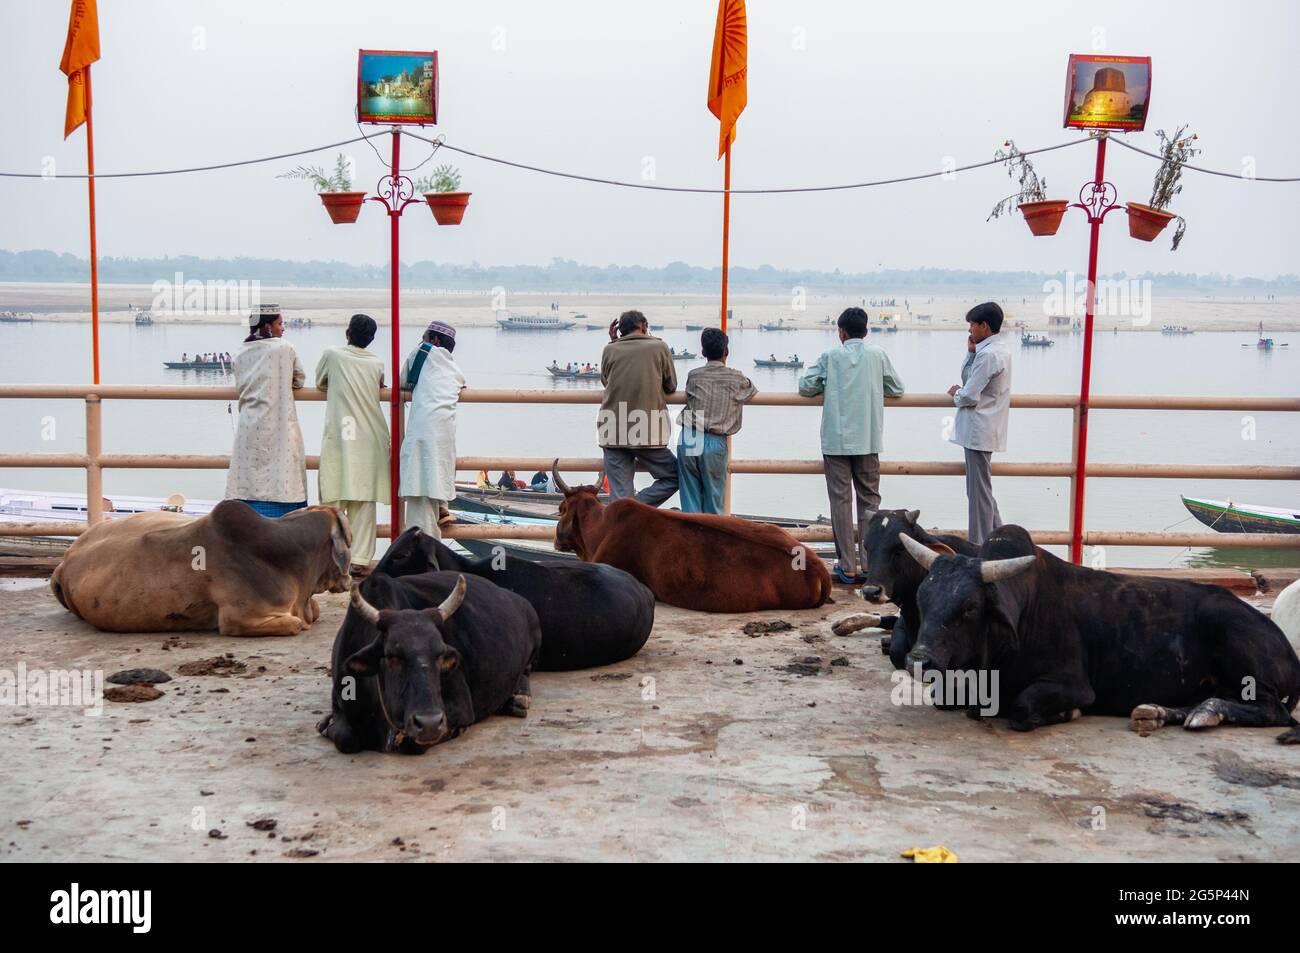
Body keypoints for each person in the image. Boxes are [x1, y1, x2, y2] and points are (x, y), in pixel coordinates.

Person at [799, 307, 904, 584]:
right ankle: (870, 564)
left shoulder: (830, 357)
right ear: (866, 331)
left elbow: (805, 386)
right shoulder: (878, 355)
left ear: (841, 332)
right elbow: (897, 388)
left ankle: (847, 566)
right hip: (868, 438)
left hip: (836, 440)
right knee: (870, 502)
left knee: (841, 503)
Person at [315, 313, 389, 570]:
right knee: (363, 500)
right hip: (370, 436)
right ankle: (358, 560)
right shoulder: (377, 363)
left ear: (347, 333)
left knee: (332, 498)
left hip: (341, 436)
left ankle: (331, 559)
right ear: (371, 339)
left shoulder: (332, 355)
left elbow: (320, 381)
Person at [226, 304, 308, 517]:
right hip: (279, 425)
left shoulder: (241, 352)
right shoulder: (283, 348)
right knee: (282, 481)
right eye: (280, 324)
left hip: (249, 426)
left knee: (249, 482)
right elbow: (299, 379)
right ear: (268, 327)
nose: (283, 329)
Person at [597, 310, 678, 505]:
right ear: (643, 326)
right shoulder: (659, 347)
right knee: (675, 476)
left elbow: (606, 381)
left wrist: (613, 342)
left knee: (620, 496)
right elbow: (671, 385)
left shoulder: (610, 349)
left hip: (613, 430)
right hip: (647, 430)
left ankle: (626, 511)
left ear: (619, 330)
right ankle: (633, 509)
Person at [948, 301, 1012, 545]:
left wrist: (955, 394)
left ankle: (981, 547)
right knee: (981, 491)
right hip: (987, 427)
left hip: (978, 429)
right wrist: (970, 354)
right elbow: (971, 381)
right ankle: (1002, 540)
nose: (970, 331)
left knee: (978, 495)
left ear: (984, 326)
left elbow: (968, 394)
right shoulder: (997, 350)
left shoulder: (988, 355)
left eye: (972, 325)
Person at [676, 328, 757, 514]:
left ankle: (691, 542)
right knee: (714, 505)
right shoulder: (736, 377)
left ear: (703, 352)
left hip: (689, 435)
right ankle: (710, 542)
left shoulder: (694, 374)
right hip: (714, 439)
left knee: (689, 501)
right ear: (726, 351)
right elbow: (751, 389)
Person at [399, 321, 466, 538]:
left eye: (424, 336)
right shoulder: (455, 369)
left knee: (419, 492)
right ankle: (441, 506)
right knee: (434, 476)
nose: (421, 341)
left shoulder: (422, 351)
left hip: (422, 432)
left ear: (434, 340)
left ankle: (423, 556)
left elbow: (404, 380)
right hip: (445, 434)